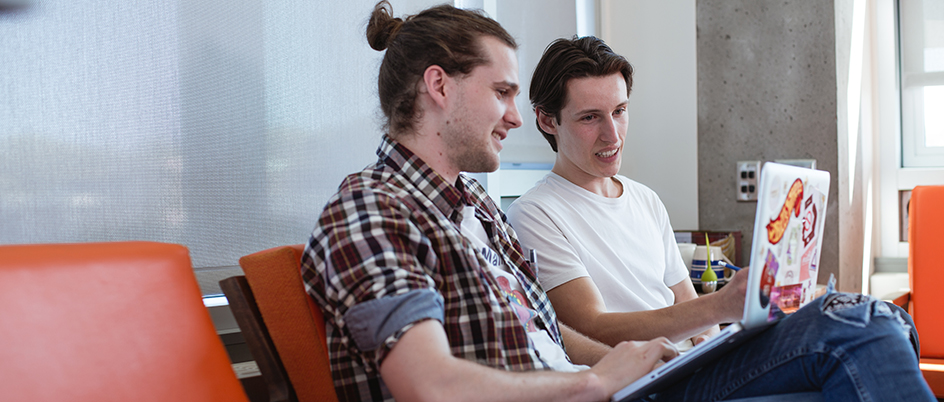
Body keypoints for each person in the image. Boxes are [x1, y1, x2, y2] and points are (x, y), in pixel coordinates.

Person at [506, 35, 932, 400]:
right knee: (858, 325)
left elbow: (686, 307)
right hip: (650, 380)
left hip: (694, 364)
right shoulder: (536, 213)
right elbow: (590, 328)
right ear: (547, 120)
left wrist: (727, 333)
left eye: (619, 111)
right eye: (590, 118)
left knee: (882, 315)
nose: (612, 135)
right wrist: (720, 306)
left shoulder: (644, 199)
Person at [301, 3, 677, 401]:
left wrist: (637, 371)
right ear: (440, 86)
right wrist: (597, 381)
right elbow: (430, 386)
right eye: (501, 93)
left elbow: (538, 328)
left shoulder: (475, 203)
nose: (517, 119)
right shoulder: (371, 212)